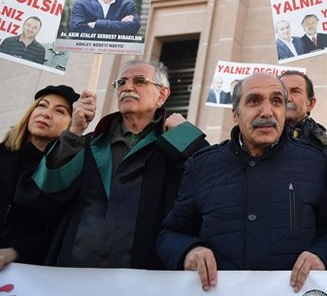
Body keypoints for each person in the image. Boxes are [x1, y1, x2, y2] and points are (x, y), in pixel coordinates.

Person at [15, 60, 207, 269]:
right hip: (73, 272)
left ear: (162, 95)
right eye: (121, 82)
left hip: (143, 276)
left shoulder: (174, 142)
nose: (127, 87)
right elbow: (43, 193)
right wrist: (74, 131)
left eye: (140, 81)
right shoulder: (86, 143)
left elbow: (213, 182)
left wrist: (184, 133)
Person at [157, 73, 327, 293]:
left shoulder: (316, 162)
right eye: (254, 101)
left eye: (277, 101)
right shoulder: (202, 165)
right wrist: (188, 251)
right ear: (235, 114)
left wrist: (321, 254)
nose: (267, 111)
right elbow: (170, 234)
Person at [0, 85, 79, 268]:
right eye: (42, 105)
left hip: (27, 273)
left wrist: (16, 251)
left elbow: (61, 231)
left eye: (60, 111)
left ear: (71, 124)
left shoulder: (67, 173)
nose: (46, 114)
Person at [280, 70, 327, 151]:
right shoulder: (260, 140)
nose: (288, 98)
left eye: (295, 92)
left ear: (310, 104)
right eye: (282, 92)